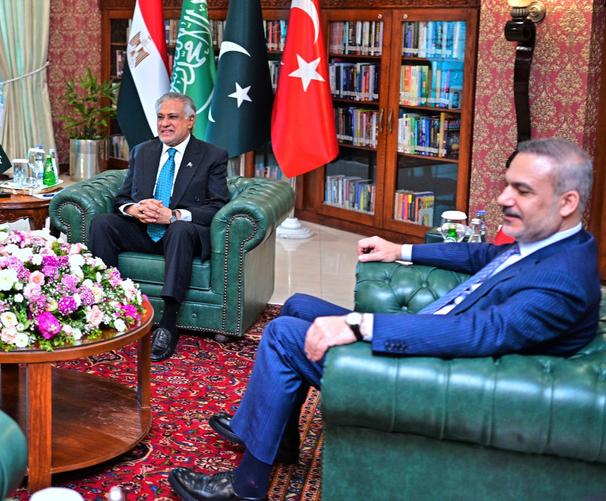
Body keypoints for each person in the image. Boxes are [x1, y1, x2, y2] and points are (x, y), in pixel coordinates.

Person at [169, 137, 602, 501]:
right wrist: (402, 250)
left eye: (522, 191)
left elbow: (479, 331)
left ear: (567, 202)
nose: (505, 199)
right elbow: (483, 254)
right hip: (436, 343)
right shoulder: (555, 244)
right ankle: (277, 436)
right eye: (507, 186)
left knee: (284, 334)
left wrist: (361, 324)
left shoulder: (561, 279)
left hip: (437, 375)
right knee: (299, 305)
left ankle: (246, 485)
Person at [89, 92, 229, 361]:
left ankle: (168, 324)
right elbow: (122, 198)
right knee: (102, 223)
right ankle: (106, 307)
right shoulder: (143, 151)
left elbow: (217, 207)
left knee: (180, 229)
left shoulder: (212, 155)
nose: (165, 123)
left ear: (190, 121)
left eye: (172, 117)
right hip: (145, 230)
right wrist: (135, 209)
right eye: (161, 117)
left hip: (183, 235)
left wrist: (174, 215)